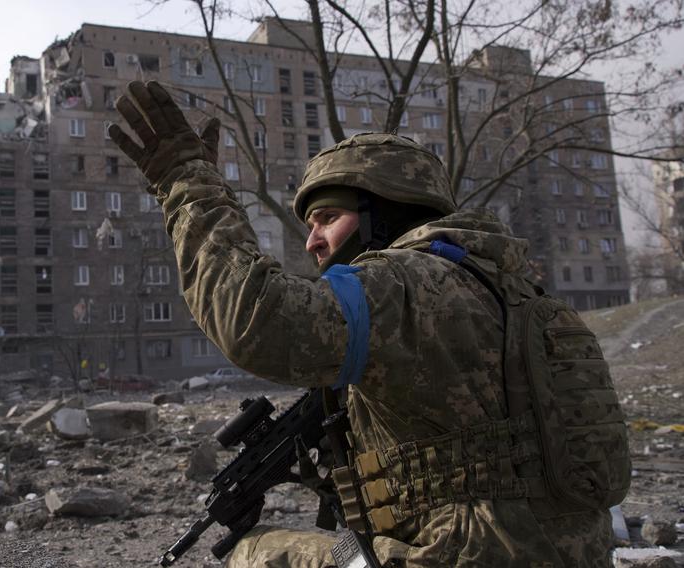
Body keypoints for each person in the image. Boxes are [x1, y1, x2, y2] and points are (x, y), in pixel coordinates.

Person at [108, 81, 618, 567]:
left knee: (252, 550)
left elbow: (255, 322)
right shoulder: (513, 290)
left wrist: (186, 180)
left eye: (328, 218)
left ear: (386, 214)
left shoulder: (403, 282)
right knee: (350, 540)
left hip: (462, 555)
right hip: (561, 551)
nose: (312, 242)